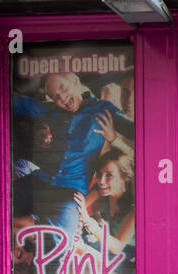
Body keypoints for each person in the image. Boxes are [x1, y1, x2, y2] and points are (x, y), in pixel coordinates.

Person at [12, 71, 135, 237]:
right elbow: (18, 102)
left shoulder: (103, 110)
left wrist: (113, 139)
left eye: (63, 88)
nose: (62, 98)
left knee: (61, 236)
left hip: (71, 193)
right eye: (56, 96)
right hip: (40, 181)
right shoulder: (52, 110)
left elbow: (139, 132)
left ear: (76, 82)